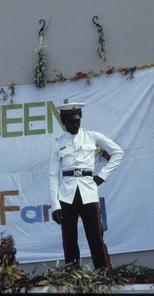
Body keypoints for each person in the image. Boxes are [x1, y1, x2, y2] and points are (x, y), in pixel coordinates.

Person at [48, 103, 124, 270]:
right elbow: (53, 176)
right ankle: (73, 277)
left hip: (88, 192)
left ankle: (104, 273)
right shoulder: (58, 143)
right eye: (70, 121)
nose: (74, 125)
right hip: (67, 195)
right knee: (69, 239)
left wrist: (102, 176)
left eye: (77, 121)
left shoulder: (92, 136)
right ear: (64, 122)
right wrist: (55, 205)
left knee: (96, 236)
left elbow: (118, 152)